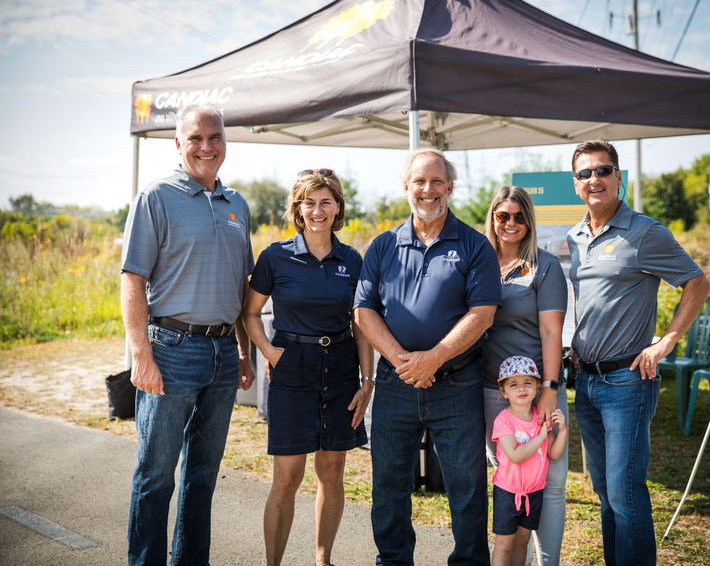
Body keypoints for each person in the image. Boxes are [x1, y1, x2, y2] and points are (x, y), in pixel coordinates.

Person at [121, 103, 256, 566]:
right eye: (195, 138)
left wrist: (243, 349)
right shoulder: (155, 197)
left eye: (214, 137)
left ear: (225, 143)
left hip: (222, 352)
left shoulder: (238, 205)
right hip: (171, 351)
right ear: (178, 144)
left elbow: (242, 283)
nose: (206, 146)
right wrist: (141, 354)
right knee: (156, 473)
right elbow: (132, 279)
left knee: (203, 473)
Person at [353, 148, 502, 566]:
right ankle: (393, 560)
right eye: (419, 181)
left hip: (458, 383)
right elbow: (364, 311)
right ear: (406, 188)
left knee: (467, 486)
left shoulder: (475, 245)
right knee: (387, 484)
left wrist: (433, 358)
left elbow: (483, 314)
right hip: (395, 383)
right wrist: (406, 360)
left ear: (450, 188)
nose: (428, 189)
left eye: (437, 182)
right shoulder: (383, 246)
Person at [566, 139, 710, 566]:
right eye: (585, 173)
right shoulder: (574, 237)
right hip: (586, 381)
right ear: (575, 184)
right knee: (605, 493)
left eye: (603, 170)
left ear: (618, 178)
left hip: (627, 381)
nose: (595, 179)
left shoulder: (644, 232)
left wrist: (667, 340)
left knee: (625, 492)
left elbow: (697, 283)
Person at [241, 168, 374, 566]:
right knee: (287, 478)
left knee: (332, 472)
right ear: (298, 209)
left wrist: (367, 380)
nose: (318, 210)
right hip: (291, 367)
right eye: (309, 203)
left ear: (337, 208)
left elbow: (362, 322)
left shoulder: (352, 259)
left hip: (341, 367)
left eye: (325, 202)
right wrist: (269, 352)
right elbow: (250, 314)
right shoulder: (275, 256)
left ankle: (322, 560)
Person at [482, 186, 568, 566]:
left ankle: (547, 562)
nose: (511, 223)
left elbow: (552, 332)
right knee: (508, 476)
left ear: (529, 220)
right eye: (503, 216)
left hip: (539, 392)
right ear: (493, 219)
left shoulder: (545, 265)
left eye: (519, 216)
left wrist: (548, 388)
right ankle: (512, 555)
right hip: (493, 391)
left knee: (550, 485)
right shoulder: (479, 261)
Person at [491, 356, 567, 566]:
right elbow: (515, 456)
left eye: (527, 383)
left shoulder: (541, 417)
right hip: (508, 492)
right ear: (504, 391)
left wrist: (563, 432)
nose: (521, 388)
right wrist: (541, 436)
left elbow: (554, 453)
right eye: (513, 384)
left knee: (523, 541)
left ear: (537, 388)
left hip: (534, 492)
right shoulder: (503, 420)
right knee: (505, 544)